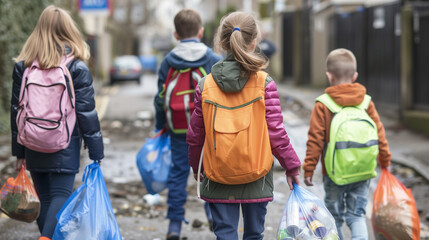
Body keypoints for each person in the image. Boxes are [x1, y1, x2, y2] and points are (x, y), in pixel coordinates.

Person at [186, 11, 301, 240]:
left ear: (221, 42)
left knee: (225, 234)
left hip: (217, 173)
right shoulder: (264, 83)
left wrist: (196, 167)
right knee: (254, 234)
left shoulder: (205, 85)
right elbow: (276, 134)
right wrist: (292, 166)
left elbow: (196, 135)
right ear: (254, 42)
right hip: (255, 173)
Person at [10, 5, 104, 240]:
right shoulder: (76, 67)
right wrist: (96, 152)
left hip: (32, 141)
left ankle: (46, 237)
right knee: (60, 195)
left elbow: (16, 110)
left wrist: (18, 152)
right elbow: (86, 113)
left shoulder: (24, 66)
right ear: (69, 30)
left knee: (44, 200)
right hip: (64, 142)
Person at [303, 48, 391, 240]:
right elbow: (379, 134)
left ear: (329, 76)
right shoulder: (366, 102)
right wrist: (385, 161)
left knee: (335, 218)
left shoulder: (323, 104)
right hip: (362, 170)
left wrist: (308, 169)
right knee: (356, 216)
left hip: (333, 174)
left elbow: (315, 140)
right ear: (355, 76)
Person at [153, 8, 221, 240]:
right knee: (209, 172)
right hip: (209, 130)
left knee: (178, 175)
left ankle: (174, 226)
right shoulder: (213, 59)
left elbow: (160, 98)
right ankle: (212, 215)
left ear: (175, 35)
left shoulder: (168, 61)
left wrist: (161, 126)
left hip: (179, 129)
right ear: (201, 32)